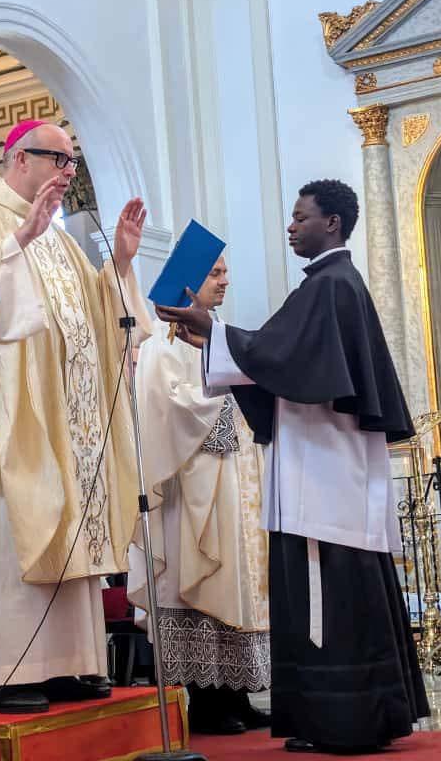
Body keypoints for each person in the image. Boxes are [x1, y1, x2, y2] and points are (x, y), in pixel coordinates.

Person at [157, 180, 428, 753]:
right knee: (340, 588)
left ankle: (340, 719)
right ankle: (351, 714)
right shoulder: (331, 286)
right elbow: (278, 358)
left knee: (324, 593)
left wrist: (213, 331)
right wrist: (219, 339)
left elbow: (284, 360)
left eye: (301, 217)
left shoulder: (330, 287)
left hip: (323, 473)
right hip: (327, 466)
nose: (291, 226)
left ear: (331, 223)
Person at [0, 120, 151, 713]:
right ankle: (5, 670)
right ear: (19, 158)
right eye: (59, 159)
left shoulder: (57, 236)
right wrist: (16, 242)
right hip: (6, 418)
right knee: (12, 531)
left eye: (72, 162)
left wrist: (121, 264)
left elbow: (98, 313)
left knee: (68, 522)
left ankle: (66, 664)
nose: (67, 172)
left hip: (66, 417)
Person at [129, 256, 271, 735]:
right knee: (201, 580)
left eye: (228, 271)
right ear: (188, 283)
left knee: (236, 582)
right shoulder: (161, 342)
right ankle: (206, 702)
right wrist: (229, 406)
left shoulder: (220, 333)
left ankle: (237, 693)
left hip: (234, 481)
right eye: (215, 273)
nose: (226, 280)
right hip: (192, 491)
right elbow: (164, 408)